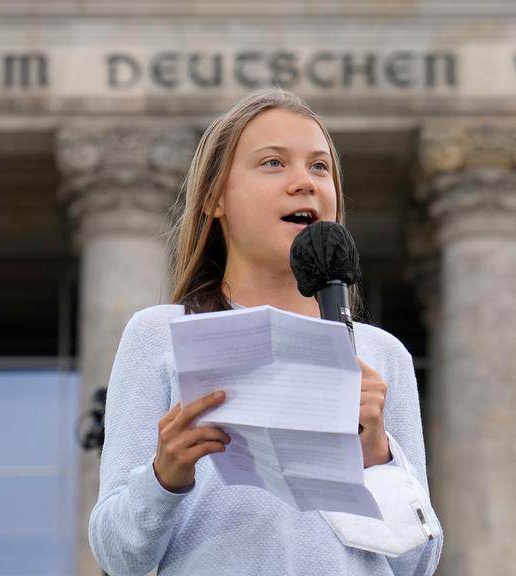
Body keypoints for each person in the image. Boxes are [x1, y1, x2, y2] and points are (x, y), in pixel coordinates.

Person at [88, 88, 443, 575]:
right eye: (274, 163)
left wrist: (376, 454)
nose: (304, 182)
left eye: (320, 167)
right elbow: (116, 555)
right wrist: (163, 476)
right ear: (215, 198)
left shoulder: (383, 356)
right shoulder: (160, 334)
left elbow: (417, 565)